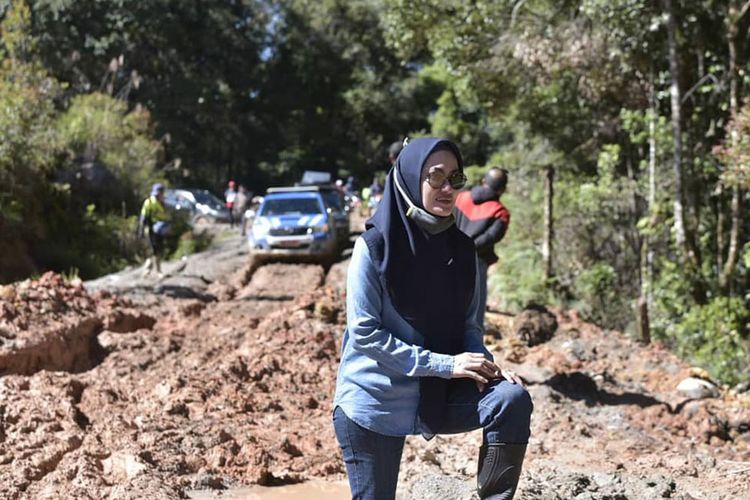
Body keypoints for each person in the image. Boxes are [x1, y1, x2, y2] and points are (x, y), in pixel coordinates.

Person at [333, 138, 532, 500]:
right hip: (374, 401)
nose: (446, 189)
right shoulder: (374, 247)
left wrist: (484, 364)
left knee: (510, 398)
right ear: (410, 179)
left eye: (454, 179)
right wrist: (446, 364)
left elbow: (468, 327)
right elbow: (364, 334)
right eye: (434, 178)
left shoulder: (461, 249)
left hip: (435, 395)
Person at [454, 167, 510, 330]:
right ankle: (473, 348)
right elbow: (491, 238)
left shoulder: (460, 197)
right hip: (476, 261)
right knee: (474, 312)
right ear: (503, 189)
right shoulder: (500, 212)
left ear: (483, 181)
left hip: (449, 255)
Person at [137, 183, 170, 277]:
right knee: (153, 250)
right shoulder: (149, 202)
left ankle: (154, 270)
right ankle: (150, 270)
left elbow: (166, 216)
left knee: (159, 249)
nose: (159, 195)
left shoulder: (163, 203)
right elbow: (143, 217)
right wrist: (141, 230)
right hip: (150, 230)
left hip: (160, 230)